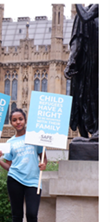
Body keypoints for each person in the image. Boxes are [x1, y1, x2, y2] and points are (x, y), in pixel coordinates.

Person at [0, 108, 47, 222]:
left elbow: (43, 158)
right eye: (14, 120)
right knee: (17, 216)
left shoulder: (34, 138)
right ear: (11, 123)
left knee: (32, 214)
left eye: (20, 119)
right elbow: (10, 166)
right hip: (14, 179)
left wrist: (43, 164)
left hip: (33, 181)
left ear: (25, 120)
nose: (18, 122)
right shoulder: (10, 143)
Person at [64, 4, 99, 140]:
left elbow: (85, 16)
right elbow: (83, 19)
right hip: (89, 65)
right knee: (84, 97)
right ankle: (88, 133)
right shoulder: (86, 17)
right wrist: (72, 60)